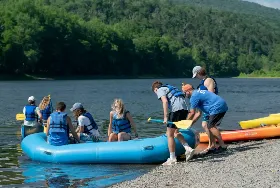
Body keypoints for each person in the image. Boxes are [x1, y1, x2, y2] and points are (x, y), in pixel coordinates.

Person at [152, 81, 195, 165]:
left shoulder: (160, 89)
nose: (157, 94)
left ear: (156, 89)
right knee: (175, 132)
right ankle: (188, 148)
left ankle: (172, 158)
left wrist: (165, 117)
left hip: (176, 111)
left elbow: (165, 101)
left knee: (169, 134)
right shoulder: (168, 88)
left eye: (155, 92)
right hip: (185, 110)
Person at [182, 84, 228, 153]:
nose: (185, 95)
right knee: (207, 126)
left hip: (217, 107)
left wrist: (185, 122)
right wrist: (190, 124)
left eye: (184, 93)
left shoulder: (194, 97)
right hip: (219, 105)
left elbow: (192, 113)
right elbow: (198, 114)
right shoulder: (198, 92)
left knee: (211, 126)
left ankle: (222, 146)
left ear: (188, 91)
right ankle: (212, 146)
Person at [192, 66, 219, 154]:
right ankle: (212, 145)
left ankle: (214, 145)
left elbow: (210, 94)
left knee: (206, 125)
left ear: (199, 73)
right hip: (207, 106)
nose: (196, 77)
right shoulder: (202, 82)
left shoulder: (208, 80)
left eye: (196, 75)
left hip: (211, 106)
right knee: (205, 125)